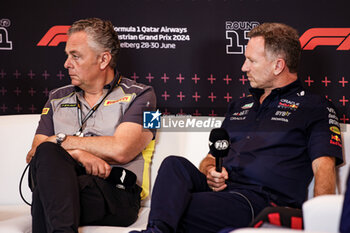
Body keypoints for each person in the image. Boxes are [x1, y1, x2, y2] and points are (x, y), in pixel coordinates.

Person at [130, 22, 343, 233]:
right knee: (173, 164)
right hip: (221, 194)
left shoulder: (315, 107)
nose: (244, 67)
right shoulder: (240, 106)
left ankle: (157, 229)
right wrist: (210, 171)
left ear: (278, 66)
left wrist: (320, 223)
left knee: (175, 209)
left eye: (251, 60)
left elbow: (323, 169)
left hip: (260, 202)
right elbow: (211, 158)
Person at [26, 18, 156, 233]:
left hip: (116, 193)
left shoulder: (144, 96)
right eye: (67, 55)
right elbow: (35, 156)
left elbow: (122, 150)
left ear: (104, 59)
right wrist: (77, 154)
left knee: (46, 194)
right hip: (64, 188)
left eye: (75, 56)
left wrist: (64, 142)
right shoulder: (55, 98)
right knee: (48, 161)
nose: (67, 63)